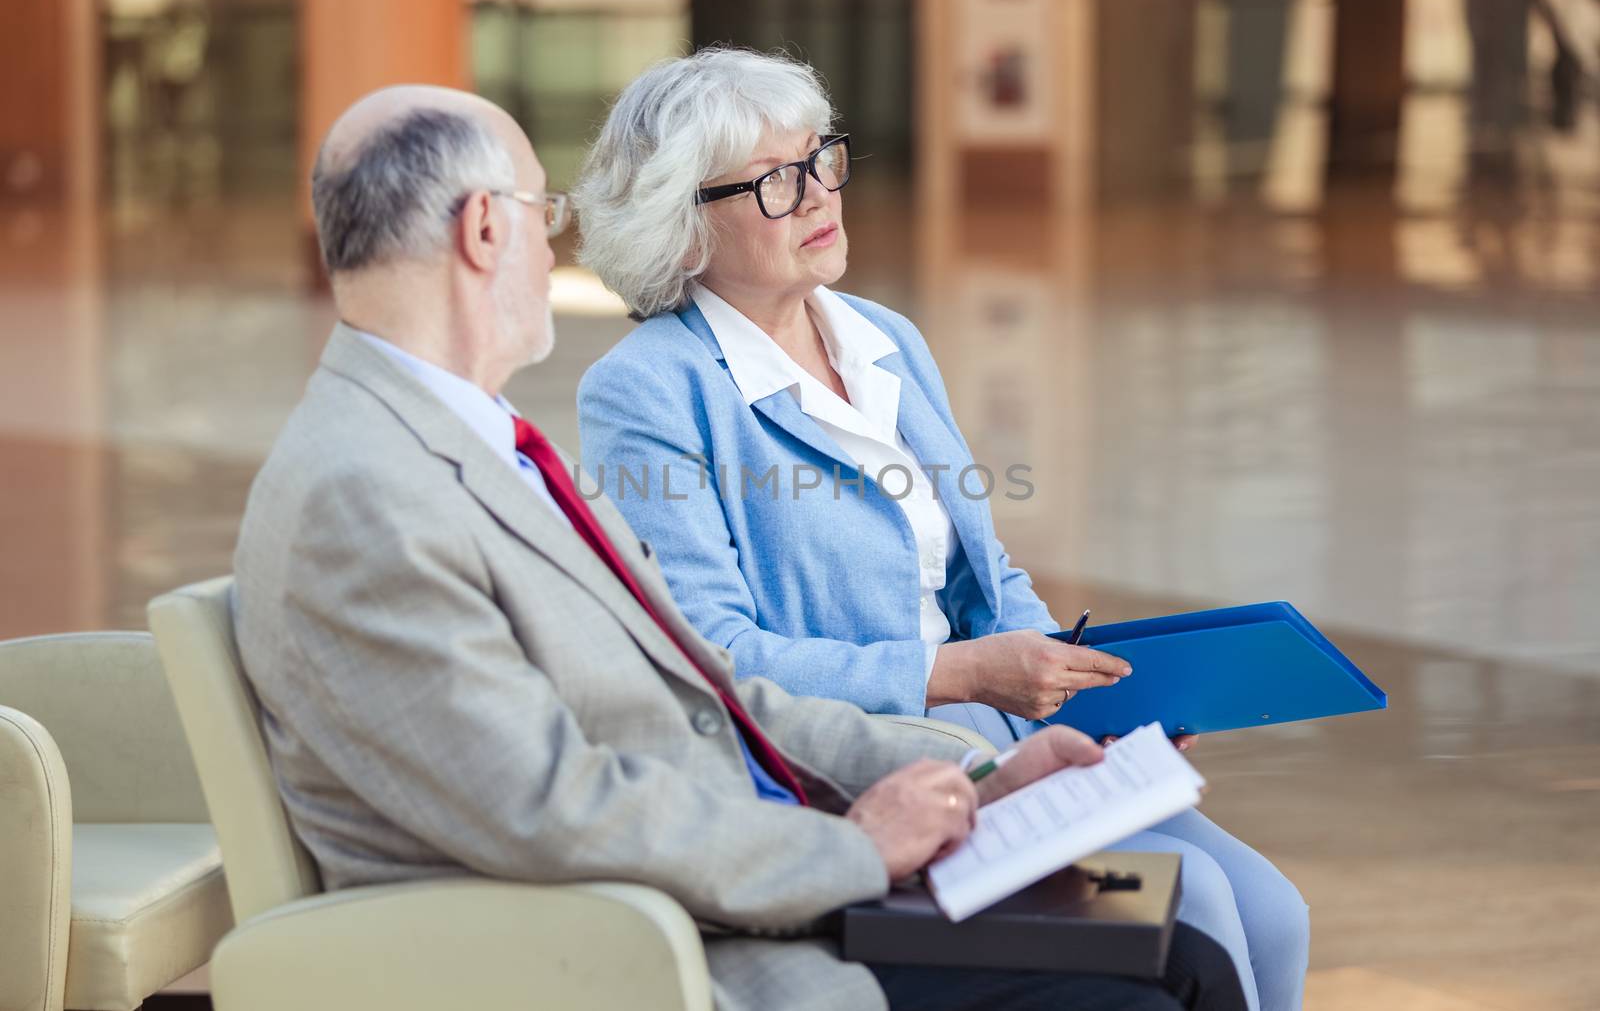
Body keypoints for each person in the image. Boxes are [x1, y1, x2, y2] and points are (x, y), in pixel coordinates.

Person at [230, 84, 1245, 1011]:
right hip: (644, 931)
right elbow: (548, 808)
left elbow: (712, 693)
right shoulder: (365, 494)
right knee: (1149, 982)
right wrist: (849, 849)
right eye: (547, 216)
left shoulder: (465, 440)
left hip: (740, 857)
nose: (556, 250)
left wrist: (975, 782)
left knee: (1182, 952)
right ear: (486, 229)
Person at [575, 48, 1309, 1011]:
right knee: (1195, 902)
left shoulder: (883, 339)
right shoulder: (648, 390)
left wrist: (1100, 707)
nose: (815, 196)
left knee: (1274, 909)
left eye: (820, 158)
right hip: (871, 756)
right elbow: (716, 655)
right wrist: (964, 673)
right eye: (772, 181)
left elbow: (987, 577)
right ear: (681, 226)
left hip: (1003, 725)